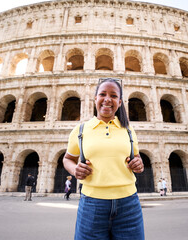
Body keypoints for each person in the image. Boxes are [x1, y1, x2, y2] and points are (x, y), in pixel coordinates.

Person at [63, 78, 145, 240]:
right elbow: (67, 159)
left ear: (120, 102)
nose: (107, 99)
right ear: (95, 99)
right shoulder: (80, 130)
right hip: (92, 205)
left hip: (129, 204)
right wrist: (75, 170)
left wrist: (139, 164)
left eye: (113, 96)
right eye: (102, 94)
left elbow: (136, 158)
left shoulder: (128, 130)